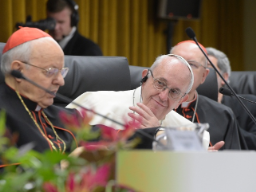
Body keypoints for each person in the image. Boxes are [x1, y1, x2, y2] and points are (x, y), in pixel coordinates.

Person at [0, 27, 79, 173]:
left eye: (62, 72)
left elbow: (108, 139)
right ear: (18, 71)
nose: (60, 81)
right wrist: (63, 167)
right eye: (51, 71)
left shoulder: (65, 116)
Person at [66, 54, 211, 149]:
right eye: (160, 83)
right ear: (145, 78)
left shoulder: (189, 133)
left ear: (182, 100)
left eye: (174, 92)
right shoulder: (95, 103)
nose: (163, 96)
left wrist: (158, 135)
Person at [171, 40, 244, 150]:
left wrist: (210, 161)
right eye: (176, 61)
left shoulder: (223, 115)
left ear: (204, 76)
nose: (182, 69)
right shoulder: (145, 106)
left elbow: (233, 162)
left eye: (192, 64)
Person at [206, 47, 256, 151]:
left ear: (224, 77)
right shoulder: (179, 105)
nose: (202, 74)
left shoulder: (251, 105)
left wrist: (227, 127)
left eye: (207, 68)